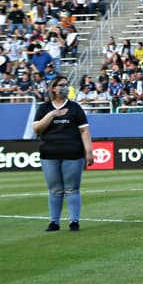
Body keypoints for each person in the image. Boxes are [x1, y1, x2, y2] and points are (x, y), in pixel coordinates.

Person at [32, 76, 93, 231]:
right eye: (61, 85)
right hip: (49, 154)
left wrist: (89, 151)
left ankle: (74, 221)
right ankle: (54, 222)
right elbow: (37, 128)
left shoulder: (75, 108)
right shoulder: (44, 108)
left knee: (72, 189)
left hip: (73, 153)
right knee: (55, 190)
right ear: (53, 88)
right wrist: (52, 115)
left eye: (67, 85)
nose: (65, 87)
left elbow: (84, 130)